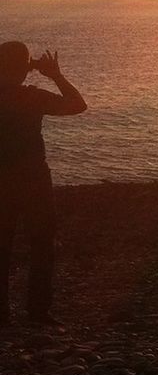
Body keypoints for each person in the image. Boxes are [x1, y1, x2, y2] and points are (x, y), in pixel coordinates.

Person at [0, 42, 87, 329]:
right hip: (34, 180)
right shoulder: (31, 97)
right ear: (25, 69)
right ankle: (37, 313)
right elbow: (77, 105)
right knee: (41, 246)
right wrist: (55, 75)